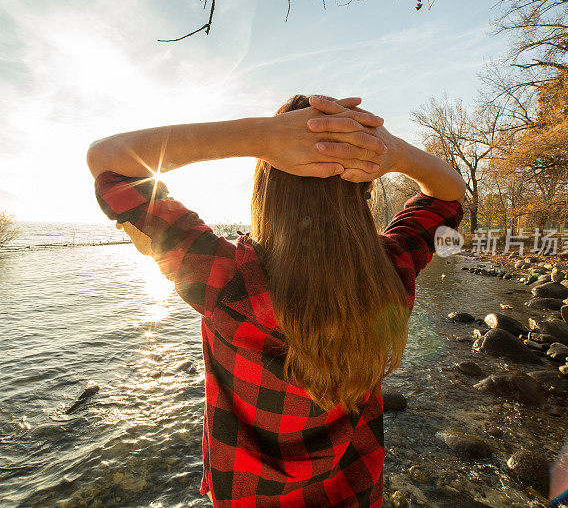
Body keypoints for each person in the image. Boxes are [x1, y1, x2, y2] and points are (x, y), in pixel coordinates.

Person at [87, 94, 466, 507]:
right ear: (364, 191)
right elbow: (448, 196)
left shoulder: (223, 278)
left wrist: (259, 137)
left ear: (266, 186)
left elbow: (107, 161)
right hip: (354, 495)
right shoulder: (391, 269)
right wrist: (393, 153)